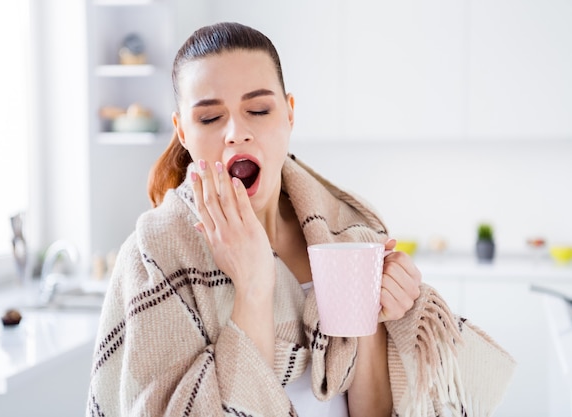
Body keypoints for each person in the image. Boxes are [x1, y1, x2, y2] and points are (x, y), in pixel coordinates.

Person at [86, 22, 515, 417]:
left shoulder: (349, 230)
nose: (236, 131)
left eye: (258, 110)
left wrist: (376, 314)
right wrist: (253, 286)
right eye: (210, 118)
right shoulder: (153, 256)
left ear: (289, 114)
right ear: (182, 131)